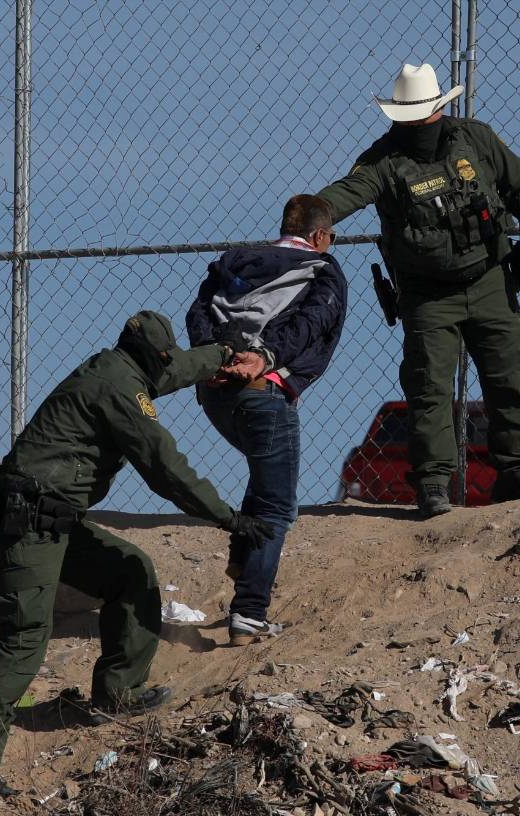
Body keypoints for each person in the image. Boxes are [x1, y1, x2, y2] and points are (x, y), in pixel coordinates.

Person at [0, 311, 272, 803]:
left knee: (130, 572)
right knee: (26, 637)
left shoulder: (118, 366)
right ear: (147, 355)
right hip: (27, 523)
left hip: (52, 520)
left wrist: (223, 356)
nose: (166, 368)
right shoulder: (120, 389)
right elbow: (165, 468)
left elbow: (174, 370)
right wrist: (227, 517)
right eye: (161, 359)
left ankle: (117, 692)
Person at [316, 63, 520, 517]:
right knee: (429, 387)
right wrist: (313, 217)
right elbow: (347, 192)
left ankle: (519, 476)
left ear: (436, 111)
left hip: (490, 278)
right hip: (427, 295)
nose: (415, 124)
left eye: (420, 115)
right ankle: (433, 486)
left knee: (508, 377)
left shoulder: (477, 139)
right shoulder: (382, 161)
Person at [186, 194, 348, 645]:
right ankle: (249, 614)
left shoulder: (235, 261)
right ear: (319, 236)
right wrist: (263, 357)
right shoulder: (321, 268)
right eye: (330, 237)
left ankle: (242, 551)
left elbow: (198, 312)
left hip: (217, 394)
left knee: (266, 470)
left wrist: (215, 355)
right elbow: (312, 322)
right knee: (278, 505)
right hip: (263, 392)